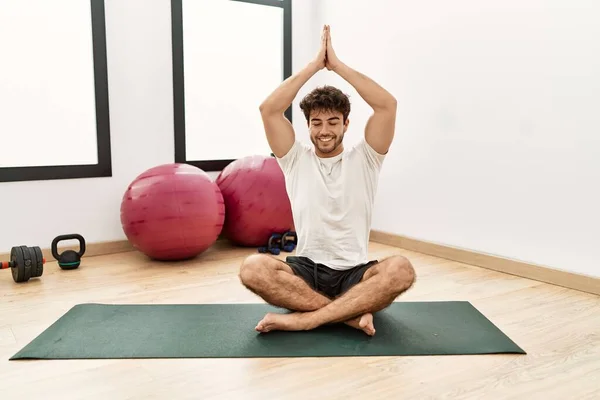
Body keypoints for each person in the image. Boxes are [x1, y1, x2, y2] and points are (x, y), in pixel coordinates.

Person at [239, 25, 415, 336]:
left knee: (401, 269)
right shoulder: (295, 159)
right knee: (252, 268)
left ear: (347, 123)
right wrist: (313, 66)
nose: (324, 130)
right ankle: (349, 315)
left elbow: (387, 105)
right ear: (306, 125)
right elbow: (269, 110)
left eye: (333, 122)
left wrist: (337, 66)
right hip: (307, 270)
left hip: (356, 273)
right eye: (316, 122)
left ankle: (307, 317)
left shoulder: (367, 157)